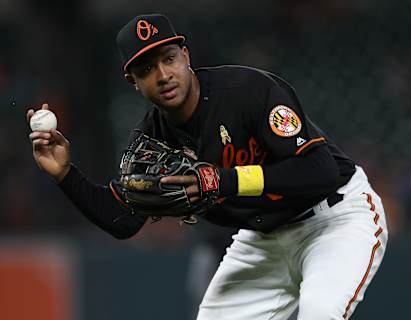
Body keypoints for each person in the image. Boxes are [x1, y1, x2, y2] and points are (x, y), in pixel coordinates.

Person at [27, 14, 388, 320]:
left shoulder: (249, 91)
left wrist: (225, 181)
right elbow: (123, 221)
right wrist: (65, 174)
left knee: (320, 313)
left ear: (185, 56)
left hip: (333, 220)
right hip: (262, 241)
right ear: (132, 82)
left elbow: (319, 171)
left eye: (168, 59)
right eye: (147, 68)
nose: (163, 74)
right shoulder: (153, 140)